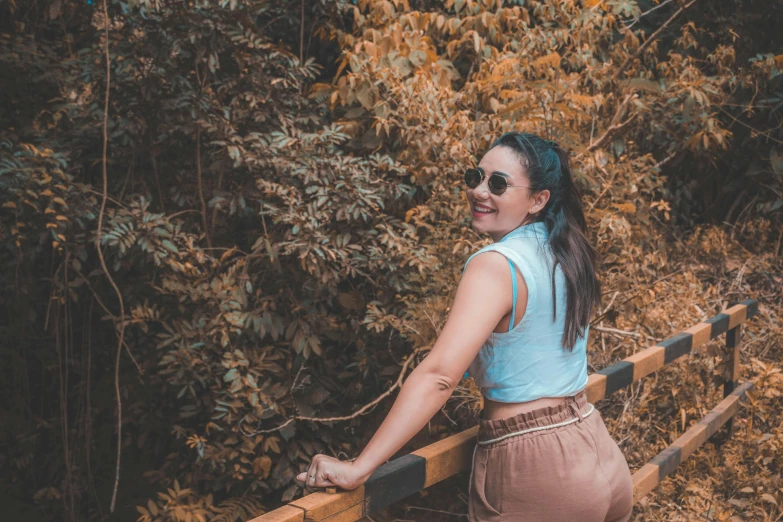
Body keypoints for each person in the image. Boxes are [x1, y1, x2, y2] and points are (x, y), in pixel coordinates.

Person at [294, 132, 633, 521]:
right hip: (597, 452)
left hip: (538, 471)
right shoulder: (567, 252)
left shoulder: (495, 264)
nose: (479, 191)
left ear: (539, 200)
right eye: (476, 176)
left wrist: (359, 467)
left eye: (499, 183)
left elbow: (440, 376)